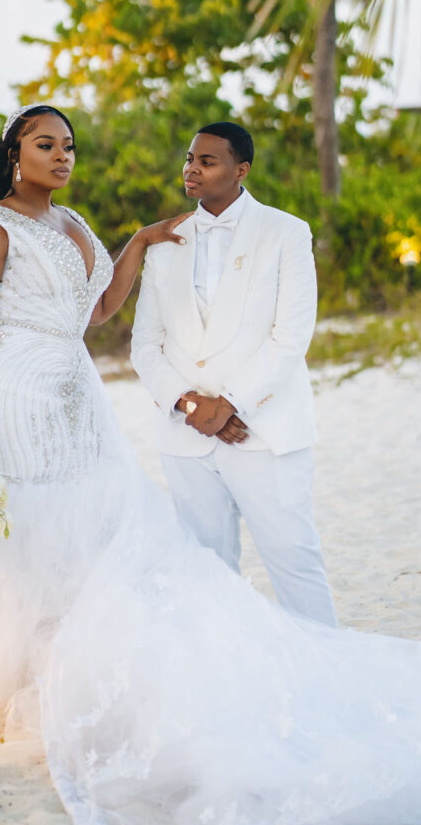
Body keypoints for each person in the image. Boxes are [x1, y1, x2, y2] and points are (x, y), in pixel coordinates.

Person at [0, 104, 421, 825]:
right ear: (12, 152)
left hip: (75, 393)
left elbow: (99, 311)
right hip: (11, 392)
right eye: (45, 145)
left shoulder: (75, 224)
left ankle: (78, 679)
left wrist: (141, 241)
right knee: (34, 527)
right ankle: (19, 685)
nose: (62, 157)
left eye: (70, 146)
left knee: (93, 532)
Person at [131, 122, 337, 626]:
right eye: (189, 158)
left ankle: (326, 676)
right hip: (185, 438)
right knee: (207, 572)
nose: (192, 169)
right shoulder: (164, 241)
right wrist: (189, 404)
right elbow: (144, 344)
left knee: (294, 564)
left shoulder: (287, 232)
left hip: (263, 432)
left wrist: (229, 404)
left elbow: (290, 337)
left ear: (241, 170)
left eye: (207, 161)